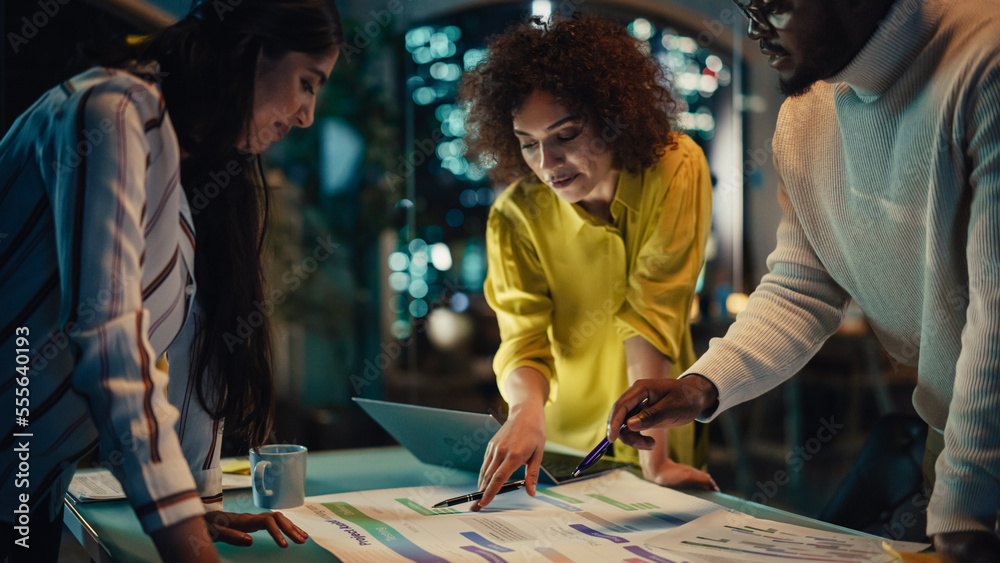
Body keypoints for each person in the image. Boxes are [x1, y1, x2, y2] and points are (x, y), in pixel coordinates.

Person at [607, 0, 1000, 560]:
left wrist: (965, 510)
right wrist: (701, 386)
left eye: (773, 4)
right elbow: (802, 286)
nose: (753, 25)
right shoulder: (806, 111)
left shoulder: (984, 60)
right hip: (955, 443)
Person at [0, 0, 342, 560]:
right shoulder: (114, 111)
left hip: (30, 484)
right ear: (253, 51)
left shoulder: (189, 161)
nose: (306, 114)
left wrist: (200, 504)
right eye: (307, 82)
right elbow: (108, 338)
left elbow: (194, 343)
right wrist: (183, 539)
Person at [458, 14, 718, 511]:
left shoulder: (674, 168)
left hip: (652, 437)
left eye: (567, 135)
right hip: (554, 450)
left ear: (612, 114)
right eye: (528, 142)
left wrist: (655, 462)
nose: (548, 164)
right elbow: (524, 340)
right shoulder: (515, 214)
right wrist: (526, 409)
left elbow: (651, 315)